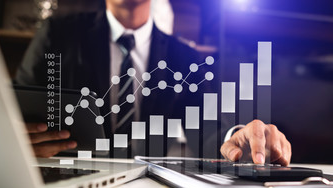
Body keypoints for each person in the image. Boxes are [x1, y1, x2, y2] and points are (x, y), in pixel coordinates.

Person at [16, 0, 291, 166]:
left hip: (146, 187)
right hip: (65, 173)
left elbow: (207, 131)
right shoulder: (57, 35)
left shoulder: (185, 58)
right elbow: (16, 108)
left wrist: (237, 138)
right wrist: (16, 134)